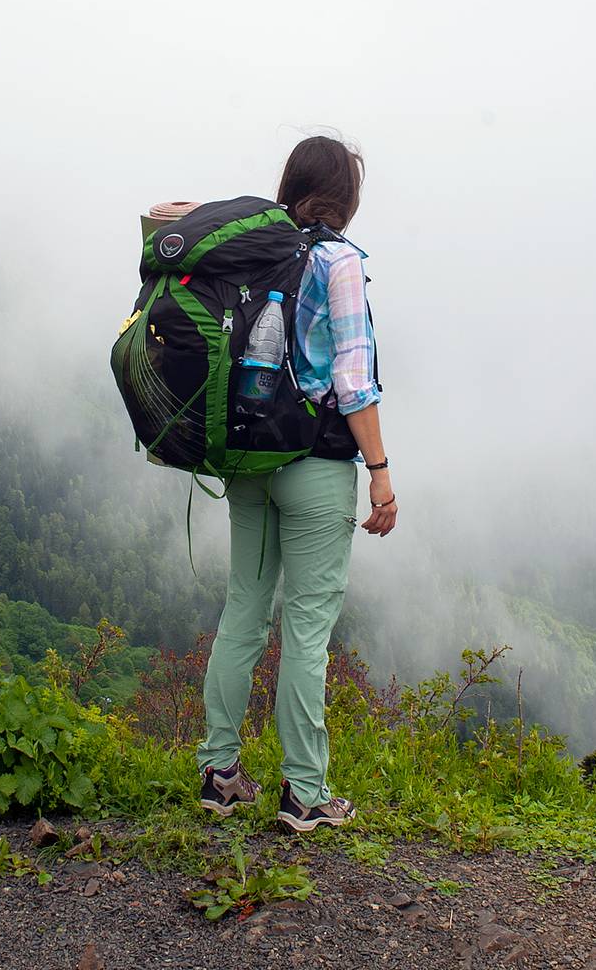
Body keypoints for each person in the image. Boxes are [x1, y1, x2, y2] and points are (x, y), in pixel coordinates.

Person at [196, 134, 398, 832]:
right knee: (306, 629)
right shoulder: (338, 261)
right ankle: (305, 794)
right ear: (347, 198)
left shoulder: (255, 250)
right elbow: (352, 377)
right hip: (315, 465)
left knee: (244, 609)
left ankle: (219, 775)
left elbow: (173, 226)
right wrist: (380, 473)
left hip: (251, 459)